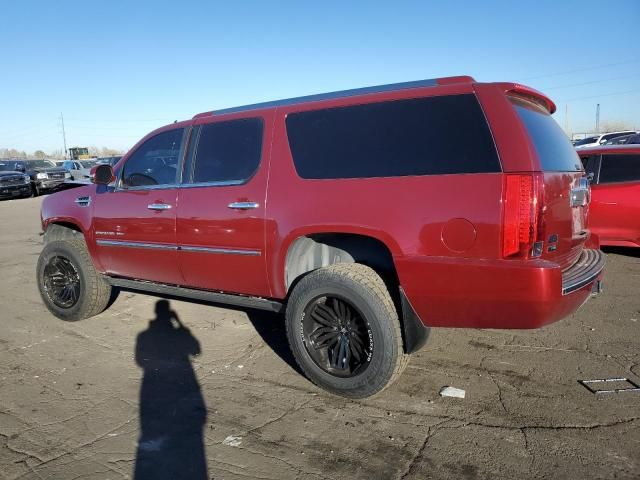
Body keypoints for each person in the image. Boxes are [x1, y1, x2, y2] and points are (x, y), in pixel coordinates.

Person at [134, 300, 208, 480]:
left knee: (156, 424)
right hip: (181, 379)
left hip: (152, 383)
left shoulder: (143, 335)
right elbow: (196, 350)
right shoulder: (179, 333)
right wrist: (181, 325)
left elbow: (139, 361)